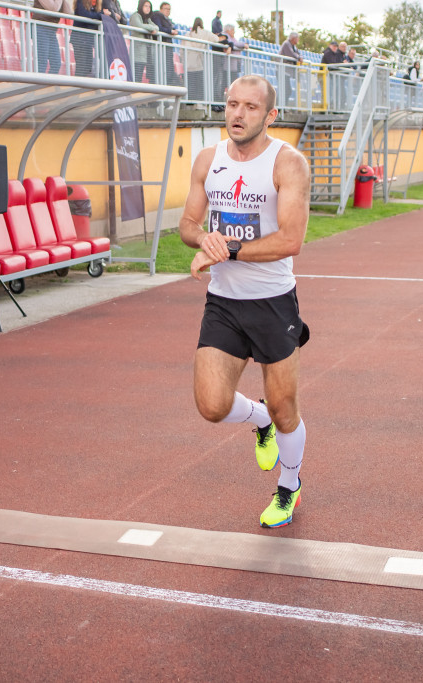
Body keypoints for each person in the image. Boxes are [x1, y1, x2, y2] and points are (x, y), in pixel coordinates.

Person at [178, 75, 312, 528]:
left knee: (285, 407)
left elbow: (291, 240)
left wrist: (228, 249)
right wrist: (204, 239)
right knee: (211, 405)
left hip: (273, 302)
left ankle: (289, 485)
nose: (237, 114)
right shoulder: (207, 159)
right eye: (232, 104)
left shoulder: (288, 163)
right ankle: (257, 421)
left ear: (270, 115)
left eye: (250, 107)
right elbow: (188, 224)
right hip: (223, 302)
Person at [186, 17, 222, 100]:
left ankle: (190, 102)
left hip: (189, 63)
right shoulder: (206, 33)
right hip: (200, 62)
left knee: (191, 84)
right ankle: (199, 103)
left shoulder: (188, 34)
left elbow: (182, 50)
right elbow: (216, 39)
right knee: (199, 85)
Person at [72, 0, 110, 78]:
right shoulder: (81, 1)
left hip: (88, 40)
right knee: (82, 66)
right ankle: (76, 86)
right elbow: (85, 14)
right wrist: (101, 14)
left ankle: (79, 86)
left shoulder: (97, 4)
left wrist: (100, 15)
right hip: (79, 39)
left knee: (87, 67)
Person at [33, 0, 68, 74]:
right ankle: (38, 82)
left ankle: (46, 84)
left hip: (51, 31)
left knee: (56, 63)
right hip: (40, 27)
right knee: (42, 61)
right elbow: (53, 8)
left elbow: (67, 12)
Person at [129, 0, 159, 83]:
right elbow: (139, 25)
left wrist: (152, 28)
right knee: (136, 77)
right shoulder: (136, 16)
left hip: (146, 53)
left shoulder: (147, 19)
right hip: (137, 53)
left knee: (149, 77)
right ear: (141, 6)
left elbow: (157, 27)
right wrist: (151, 28)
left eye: (149, 7)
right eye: (146, 6)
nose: (148, 8)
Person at [153, 1, 180, 85]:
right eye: (165, 9)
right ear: (161, 9)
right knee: (163, 68)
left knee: (169, 68)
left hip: (167, 47)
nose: (168, 11)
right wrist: (170, 31)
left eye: (169, 9)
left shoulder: (169, 20)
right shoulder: (157, 16)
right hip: (161, 48)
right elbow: (159, 28)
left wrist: (173, 30)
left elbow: (173, 28)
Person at [277, 31, 302, 108]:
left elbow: (299, 54)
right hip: (282, 71)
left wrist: (300, 57)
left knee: (287, 90)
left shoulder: (294, 46)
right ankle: (279, 107)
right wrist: (298, 58)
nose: (298, 40)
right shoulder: (287, 44)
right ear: (293, 38)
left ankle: (282, 107)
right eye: (297, 38)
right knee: (286, 90)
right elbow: (291, 54)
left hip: (286, 72)